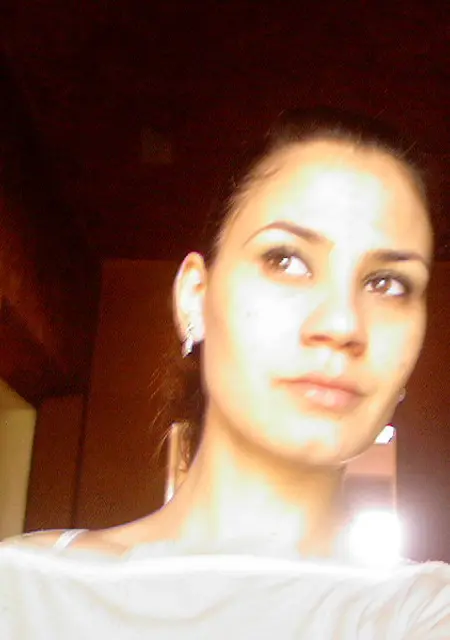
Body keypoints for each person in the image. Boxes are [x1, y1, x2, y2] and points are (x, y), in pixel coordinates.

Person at [1, 105, 448, 638]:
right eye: (286, 260)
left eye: (388, 284)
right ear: (195, 295)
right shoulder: (22, 591)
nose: (343, 324)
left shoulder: (428, 613)